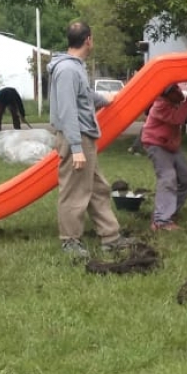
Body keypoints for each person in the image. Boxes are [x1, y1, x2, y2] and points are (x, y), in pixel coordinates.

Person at [48, 20, 136, 257]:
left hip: (84, 136)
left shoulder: (75, 67)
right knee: (74, 192)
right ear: (88, 39)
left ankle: (111, 236)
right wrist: (76, 148)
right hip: (75, 137)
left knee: (98, 189)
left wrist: (106, 99)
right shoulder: (67, 69)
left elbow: (84, 95)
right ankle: (70, 241)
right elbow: (68, 110)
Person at [141, 83, 187, 231]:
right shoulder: (160, 104)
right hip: (156, 145)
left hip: (171, 146)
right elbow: (177, 119)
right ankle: (161, 220)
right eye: (173, 90)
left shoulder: (175, 103)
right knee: (168, 178)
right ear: (166, 95)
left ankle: (168, 212)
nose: (178, 91)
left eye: (177, 88)